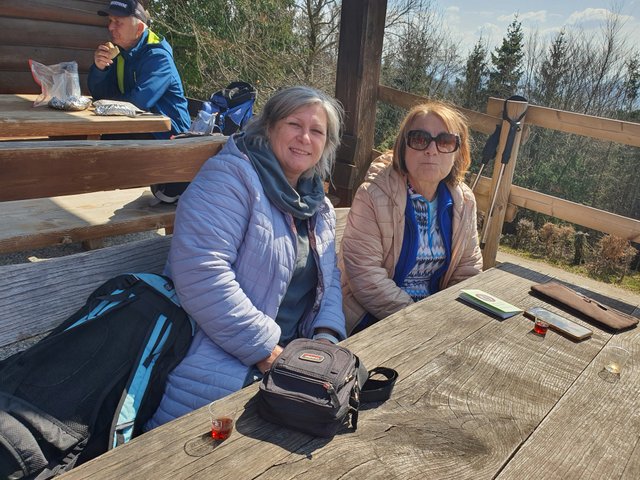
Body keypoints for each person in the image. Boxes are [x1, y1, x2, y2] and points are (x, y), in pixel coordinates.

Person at [146, 86, 346, 429]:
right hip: (218, 367)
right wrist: (269, 354)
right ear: (269, 126)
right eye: (294, 124)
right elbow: (202, 275)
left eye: (317, 131)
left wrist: (326, 343)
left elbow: (329, 283)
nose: (304, 138)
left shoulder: (318, 205)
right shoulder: (228, 179)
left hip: (288, 367)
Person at [339, 101, 483, 335]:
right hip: (371, 316)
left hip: (434, 318)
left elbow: (468, 270)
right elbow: (365, 275)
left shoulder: (464, 201)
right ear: (402, 148)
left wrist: (445, 316)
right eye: (419, 139)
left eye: (445, 141)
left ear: (458, 152)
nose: (431, 150)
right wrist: (418, 319)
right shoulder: (372, 195)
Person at [88, 0, 191, 138]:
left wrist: (106, 102)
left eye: (118, 22)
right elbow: (100, 94)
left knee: (103, 142)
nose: (111, 27)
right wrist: (100, 69)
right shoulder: (120, 52)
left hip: (168, 136)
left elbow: (137, 103)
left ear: (139, 29)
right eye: (110, 21)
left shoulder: (158, 57)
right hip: (136, 126)